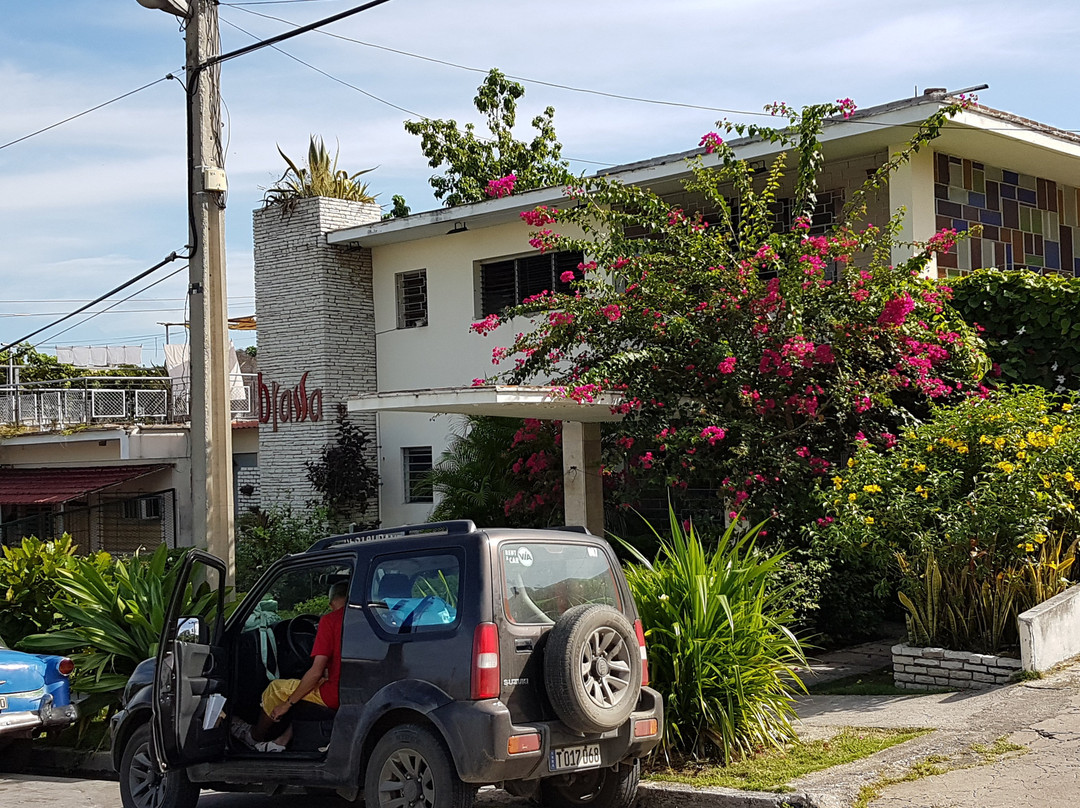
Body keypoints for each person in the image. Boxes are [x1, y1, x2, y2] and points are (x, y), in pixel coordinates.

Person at [249, 580, 347, 748]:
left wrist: (286, 705)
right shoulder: (369, 619)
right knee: (303, 688)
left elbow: (316, 672)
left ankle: (254, 738)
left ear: (331, 603)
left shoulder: (330, 621)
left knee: (276, 689)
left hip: (334, 695)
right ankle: (282, 741)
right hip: (354, 691)